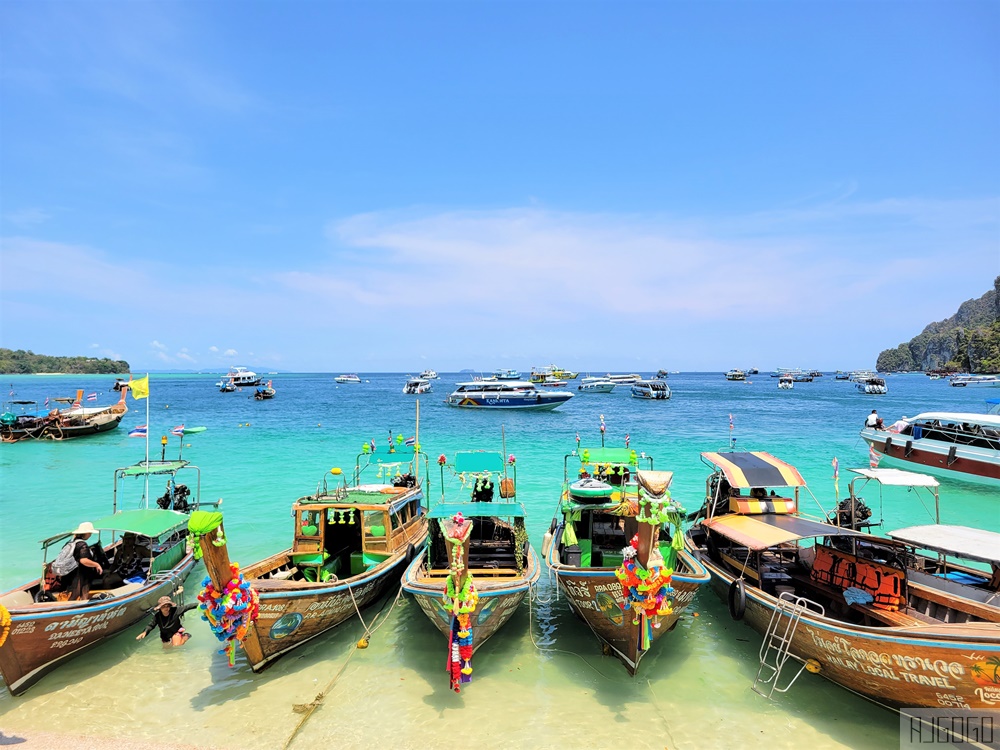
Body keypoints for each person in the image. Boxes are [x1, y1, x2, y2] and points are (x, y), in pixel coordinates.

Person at [66, 522, 102, 600]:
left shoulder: (72, 542)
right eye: (90, 533)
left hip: (71, 573)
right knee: (82, 593)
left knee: (74, 594)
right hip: (81, 574)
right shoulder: (82, 545)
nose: (90, 535)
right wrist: (96, 565)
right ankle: (81, 609)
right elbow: (83, 560)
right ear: (86, 533)